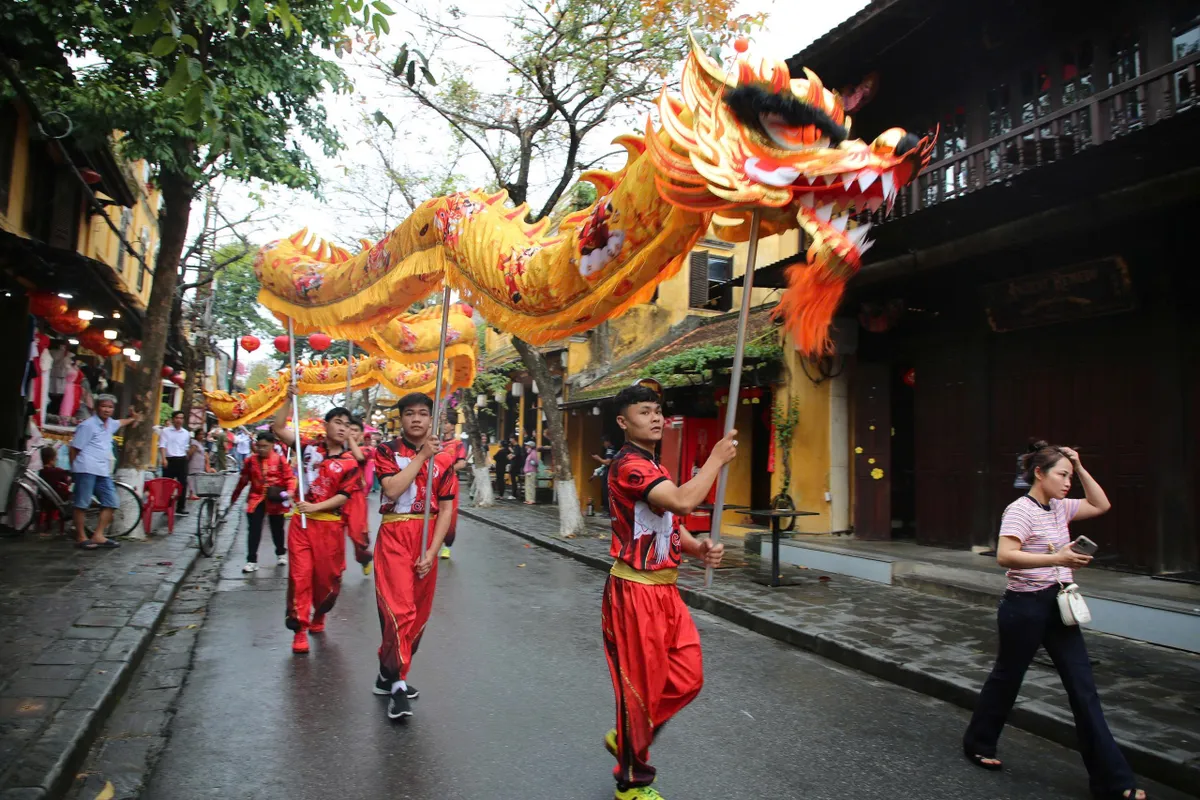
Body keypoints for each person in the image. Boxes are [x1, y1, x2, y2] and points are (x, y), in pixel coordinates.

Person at [962, 441, 1144, 799]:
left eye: (1070, 476)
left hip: (1059, 606)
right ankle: (978, 742)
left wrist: (1079, 463)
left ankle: (1112, 781)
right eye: (1062, 475)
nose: (1067, 483)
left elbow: (1101, 504)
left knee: (1083, 688)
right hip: (1023, 608)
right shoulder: (1019, 510)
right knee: (1007, 678)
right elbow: (1004, 556)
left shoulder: (1060, 507)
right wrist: (1056, 558)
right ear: (1039, 473)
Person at [601, 382, 735, 800]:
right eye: (645, 412)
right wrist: (713, 460)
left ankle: (628, 734)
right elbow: (680, 504)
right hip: (634, 593)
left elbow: (663, 523)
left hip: (666, 591)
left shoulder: (651, 464)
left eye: (658, 410)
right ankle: (631, 782)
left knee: (686, 677)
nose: (656, 417)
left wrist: (696, 548)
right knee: (639, 685)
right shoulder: (629, 465)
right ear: (624, 422)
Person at [372, 392, 458, 720]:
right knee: (400, 611)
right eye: (410, 413)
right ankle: (398, 684)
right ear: (402, 418)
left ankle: (387, 672)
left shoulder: (446, 458)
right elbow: (392, 490)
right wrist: (422, 457)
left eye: (423, 413)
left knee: (418, 617)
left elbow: (447, 507)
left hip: (426, 538)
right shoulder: (386, 451)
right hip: (395, 535)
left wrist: (433, 551)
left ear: (432, 418)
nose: (417, 419)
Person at [272, 393, 362, 654]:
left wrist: (316, 506)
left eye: (347, 424)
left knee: (327, 580)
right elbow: (278, 428)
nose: (342, 427)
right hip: (301, 525)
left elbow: (343, 496)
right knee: (300, 576)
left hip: (330, 527)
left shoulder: (349, 463)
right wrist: (288, 399)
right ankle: (299, 628)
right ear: (326, 425)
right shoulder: (308, 448)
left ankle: (319, 614)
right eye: (337, 422)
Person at [69, 395, 141, 549]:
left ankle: (98, 535)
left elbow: (121, 422)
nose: (107, 410)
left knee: (111, 502)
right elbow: (74, 448)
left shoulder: (109, 424)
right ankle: (81, 537)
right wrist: (74, 470)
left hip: (102, 470)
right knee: (82, 504)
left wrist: (133, 418)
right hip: (86, 468)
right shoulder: (88, 425)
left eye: (110, 407)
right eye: (104, 406)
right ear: (97, 407)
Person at [230, 431, 295, 573]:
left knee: (277, 528)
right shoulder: (250, 461)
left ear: (272, 445)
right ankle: (251, 560)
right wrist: (234, 497)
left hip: (275, 499)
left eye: (265, 446)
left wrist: (290, 492)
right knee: (254, 530)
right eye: (259, 446)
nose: (261, 449)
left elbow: (290, 478)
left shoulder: (280, 460)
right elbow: (243, 480)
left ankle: (280, 553)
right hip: (256, 498)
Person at [343, 417, 374, 571]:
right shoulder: (336, 449)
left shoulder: (367, 450)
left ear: (361, 435)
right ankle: (335, 569)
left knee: (357, 536)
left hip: (356, 497)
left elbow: (360, 458)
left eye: (355, 430)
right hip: (335, 497)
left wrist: (349, 438)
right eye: (349, 429)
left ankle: (363, 558)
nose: (351, 433)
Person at [439, 422, 468, 559]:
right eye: (443, 423)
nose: (445, 426)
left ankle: (447, 546)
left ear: (452, 426)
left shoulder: (458, 444)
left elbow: (461, 463)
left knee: (450, 513)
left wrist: (447, 471)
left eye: (448, 423)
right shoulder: (435, 442)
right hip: (433, 481)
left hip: (450, 481)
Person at [159, 411, 191, 515]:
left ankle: (180, 507)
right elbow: (162, 445)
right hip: (169, 459)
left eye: (181, 418)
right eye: (177, 418)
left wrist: (187, 458)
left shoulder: (186, 433)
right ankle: (166, 506)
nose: (179, 420)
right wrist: (164, 459)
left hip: (181, 459)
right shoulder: (166, 431)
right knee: (167, 484)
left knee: (183, 484)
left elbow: (185, 447)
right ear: (173, 419)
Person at [38, 445, 72, 533]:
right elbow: (67, 481)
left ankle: (47, 527)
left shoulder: (41, 472)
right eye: (56, 458)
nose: (57, 459)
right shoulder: (58, 471)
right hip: (59, 500)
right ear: (52, 459)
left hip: (45, 500)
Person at [592, 435, 618, 516]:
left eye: (604, 442)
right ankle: (608, 511)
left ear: (608, 442)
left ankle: (609, 512)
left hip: (610, 474)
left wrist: (598, 458)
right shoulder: (611, 449)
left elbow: (608, 462)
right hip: (610, 473)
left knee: (607, 492)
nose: (603, 444)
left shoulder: (610, 450)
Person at [186, 429, 210, 501]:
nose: (202, 436)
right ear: (196, 435)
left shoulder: (200, 443)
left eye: (203, 434)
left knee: (195, 479)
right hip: (194, 464)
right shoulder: (195, 443)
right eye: (200, 434)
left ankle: (192, 493)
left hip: (199, 464)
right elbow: (190, 453)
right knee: (192, 478)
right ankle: (191, 493)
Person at [507, 436, 525, 501]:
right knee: (513, 480)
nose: (510, 440)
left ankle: (514, 494)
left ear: (514, 439)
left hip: (516, 467)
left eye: (511, 438)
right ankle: (514, 493)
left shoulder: (517, 447)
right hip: (514, 466)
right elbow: (511, 455)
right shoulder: (515, 447)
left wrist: (511, 455)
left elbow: (513, 456)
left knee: (514, 481)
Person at [522, 439, 539, 505]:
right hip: (528, 472)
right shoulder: (529, 453)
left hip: (531, 472)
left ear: (530, 446)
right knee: (527, 486)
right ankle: (528, 499)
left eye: (527, 445)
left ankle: (532, 499)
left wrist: (533, 462)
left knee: (531, 486)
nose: (526, 446)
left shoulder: (533, 452)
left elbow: (536, 462)